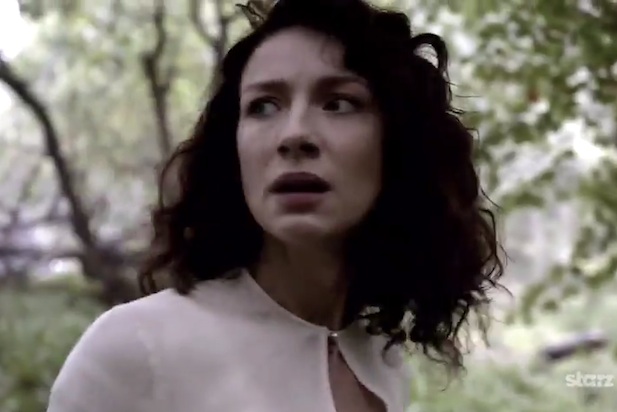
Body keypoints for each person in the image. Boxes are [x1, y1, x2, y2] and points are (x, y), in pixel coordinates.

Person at [46, 0, 505, 411]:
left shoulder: (379, 359)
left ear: (397, 143)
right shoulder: (135, 349)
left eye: (338, 103)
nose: (294, 134)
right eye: (264, 106)